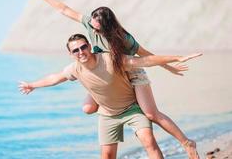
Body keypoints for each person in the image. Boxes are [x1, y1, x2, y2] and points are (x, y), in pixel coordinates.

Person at [24, 0, 199, 159]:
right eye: (91, 22)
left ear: (106, 25)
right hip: (104, 72)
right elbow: (64, 9)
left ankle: (186, 142)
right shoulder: (90, 27)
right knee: (88, 108)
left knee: (151, 113)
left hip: (131, 71)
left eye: (96, 24)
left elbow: (146, 57)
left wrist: (170, 66)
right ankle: (112, 104)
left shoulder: (124, 39)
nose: (92, 26)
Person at [18, 34, 202, 159]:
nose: (81, 52)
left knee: (148, 141)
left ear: (89, 46)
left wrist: (176, 58)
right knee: (106, 156)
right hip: (107, 114)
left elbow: (144, 61)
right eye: (76, 50)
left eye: (83, 47)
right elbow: (54, 78)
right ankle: (94, 92)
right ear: (71, 54)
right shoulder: (74, 68)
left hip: (132, 108)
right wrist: (32, 85)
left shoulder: (110, 60)